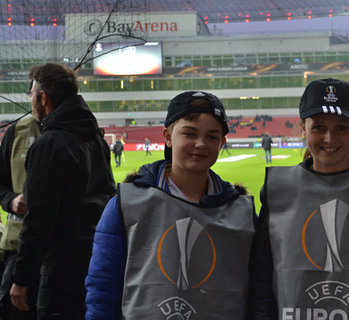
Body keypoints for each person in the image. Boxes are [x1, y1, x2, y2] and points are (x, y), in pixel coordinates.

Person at [85, 91, 255, 319]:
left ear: (222, 143)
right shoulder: (126, 203)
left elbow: (256, 288)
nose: (201, 144)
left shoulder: (241, 209)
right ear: (167, 136)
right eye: (190, 133)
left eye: (212, 137)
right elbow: (102, 286)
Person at [249, 78, 349, 319]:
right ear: (304, 128)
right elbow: (261, 278)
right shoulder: (277, 188)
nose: (329, 139)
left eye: (341, 128)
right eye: (319, 128)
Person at [10, 63, 116, 318]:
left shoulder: (49, 144)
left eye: (32, 95)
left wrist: (22, 278)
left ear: (43, 98)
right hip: (97, 260)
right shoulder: (95, 139)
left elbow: (39, 220)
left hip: (61, 270)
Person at [0, 111, 40, 320]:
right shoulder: (16, 132)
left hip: (65, 250)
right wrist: (12, 201)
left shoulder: (83, 131)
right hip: (18, 245)